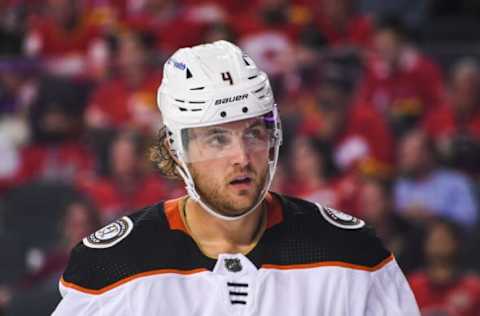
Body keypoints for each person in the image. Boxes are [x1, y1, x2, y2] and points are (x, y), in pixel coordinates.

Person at [52, 40, 419, 315]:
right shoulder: (112, 267)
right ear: (175, 148)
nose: (241, 157)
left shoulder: (350, 253)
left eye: (253, 134)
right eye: (217, 138)